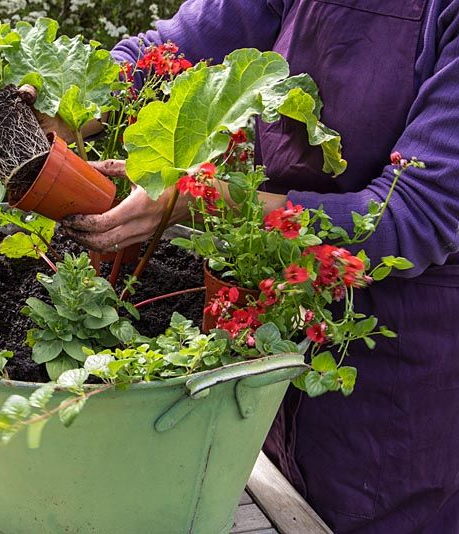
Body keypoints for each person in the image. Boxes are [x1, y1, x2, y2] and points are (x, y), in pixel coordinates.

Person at [30, 1, 459, 532]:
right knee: (268, 502)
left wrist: (205, 198)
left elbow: (420, 212)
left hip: (396, 359)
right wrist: (71, 105)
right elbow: (176, 48)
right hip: (272, 327)